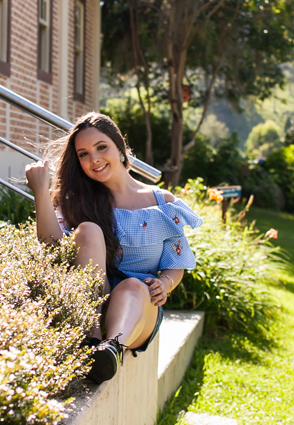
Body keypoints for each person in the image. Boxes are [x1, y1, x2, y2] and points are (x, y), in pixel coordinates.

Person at [25, 112, 202, 384]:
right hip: (93, 307)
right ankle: (91, 338)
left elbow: (175, 263)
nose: (93, 159)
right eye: (83, 154)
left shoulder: (161, 201)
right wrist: (40, 192)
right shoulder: (78, 202)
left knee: (131, 286)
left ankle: (109, 351)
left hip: (138, 311)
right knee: (89, 230)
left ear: (119, 147)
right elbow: (52, 248)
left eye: (101, 147)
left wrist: (165, 283)